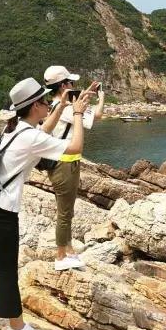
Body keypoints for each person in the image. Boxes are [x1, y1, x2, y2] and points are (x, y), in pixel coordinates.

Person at [0, 77, 91, 330]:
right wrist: (77, 114)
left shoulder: (13, 128)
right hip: (1, 211)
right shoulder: (28, 135)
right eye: (46, 101)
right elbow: (75, 148)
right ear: (36, 106)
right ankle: (16, 328)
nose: (48, 104)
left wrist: (62, 107)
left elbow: (42, 134)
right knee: (7, 269)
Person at [43, 65, 104, 271]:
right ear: (63, 86)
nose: (73, 86)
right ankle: (61, 256)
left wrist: (85, 95)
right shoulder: (67, 109)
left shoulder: (55, 105)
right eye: (70, 83)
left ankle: (68, 249)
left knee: (67, 210)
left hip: (63, 161)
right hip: (65, 163)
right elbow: (94, 117)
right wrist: (98, 99)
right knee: (65, 212)